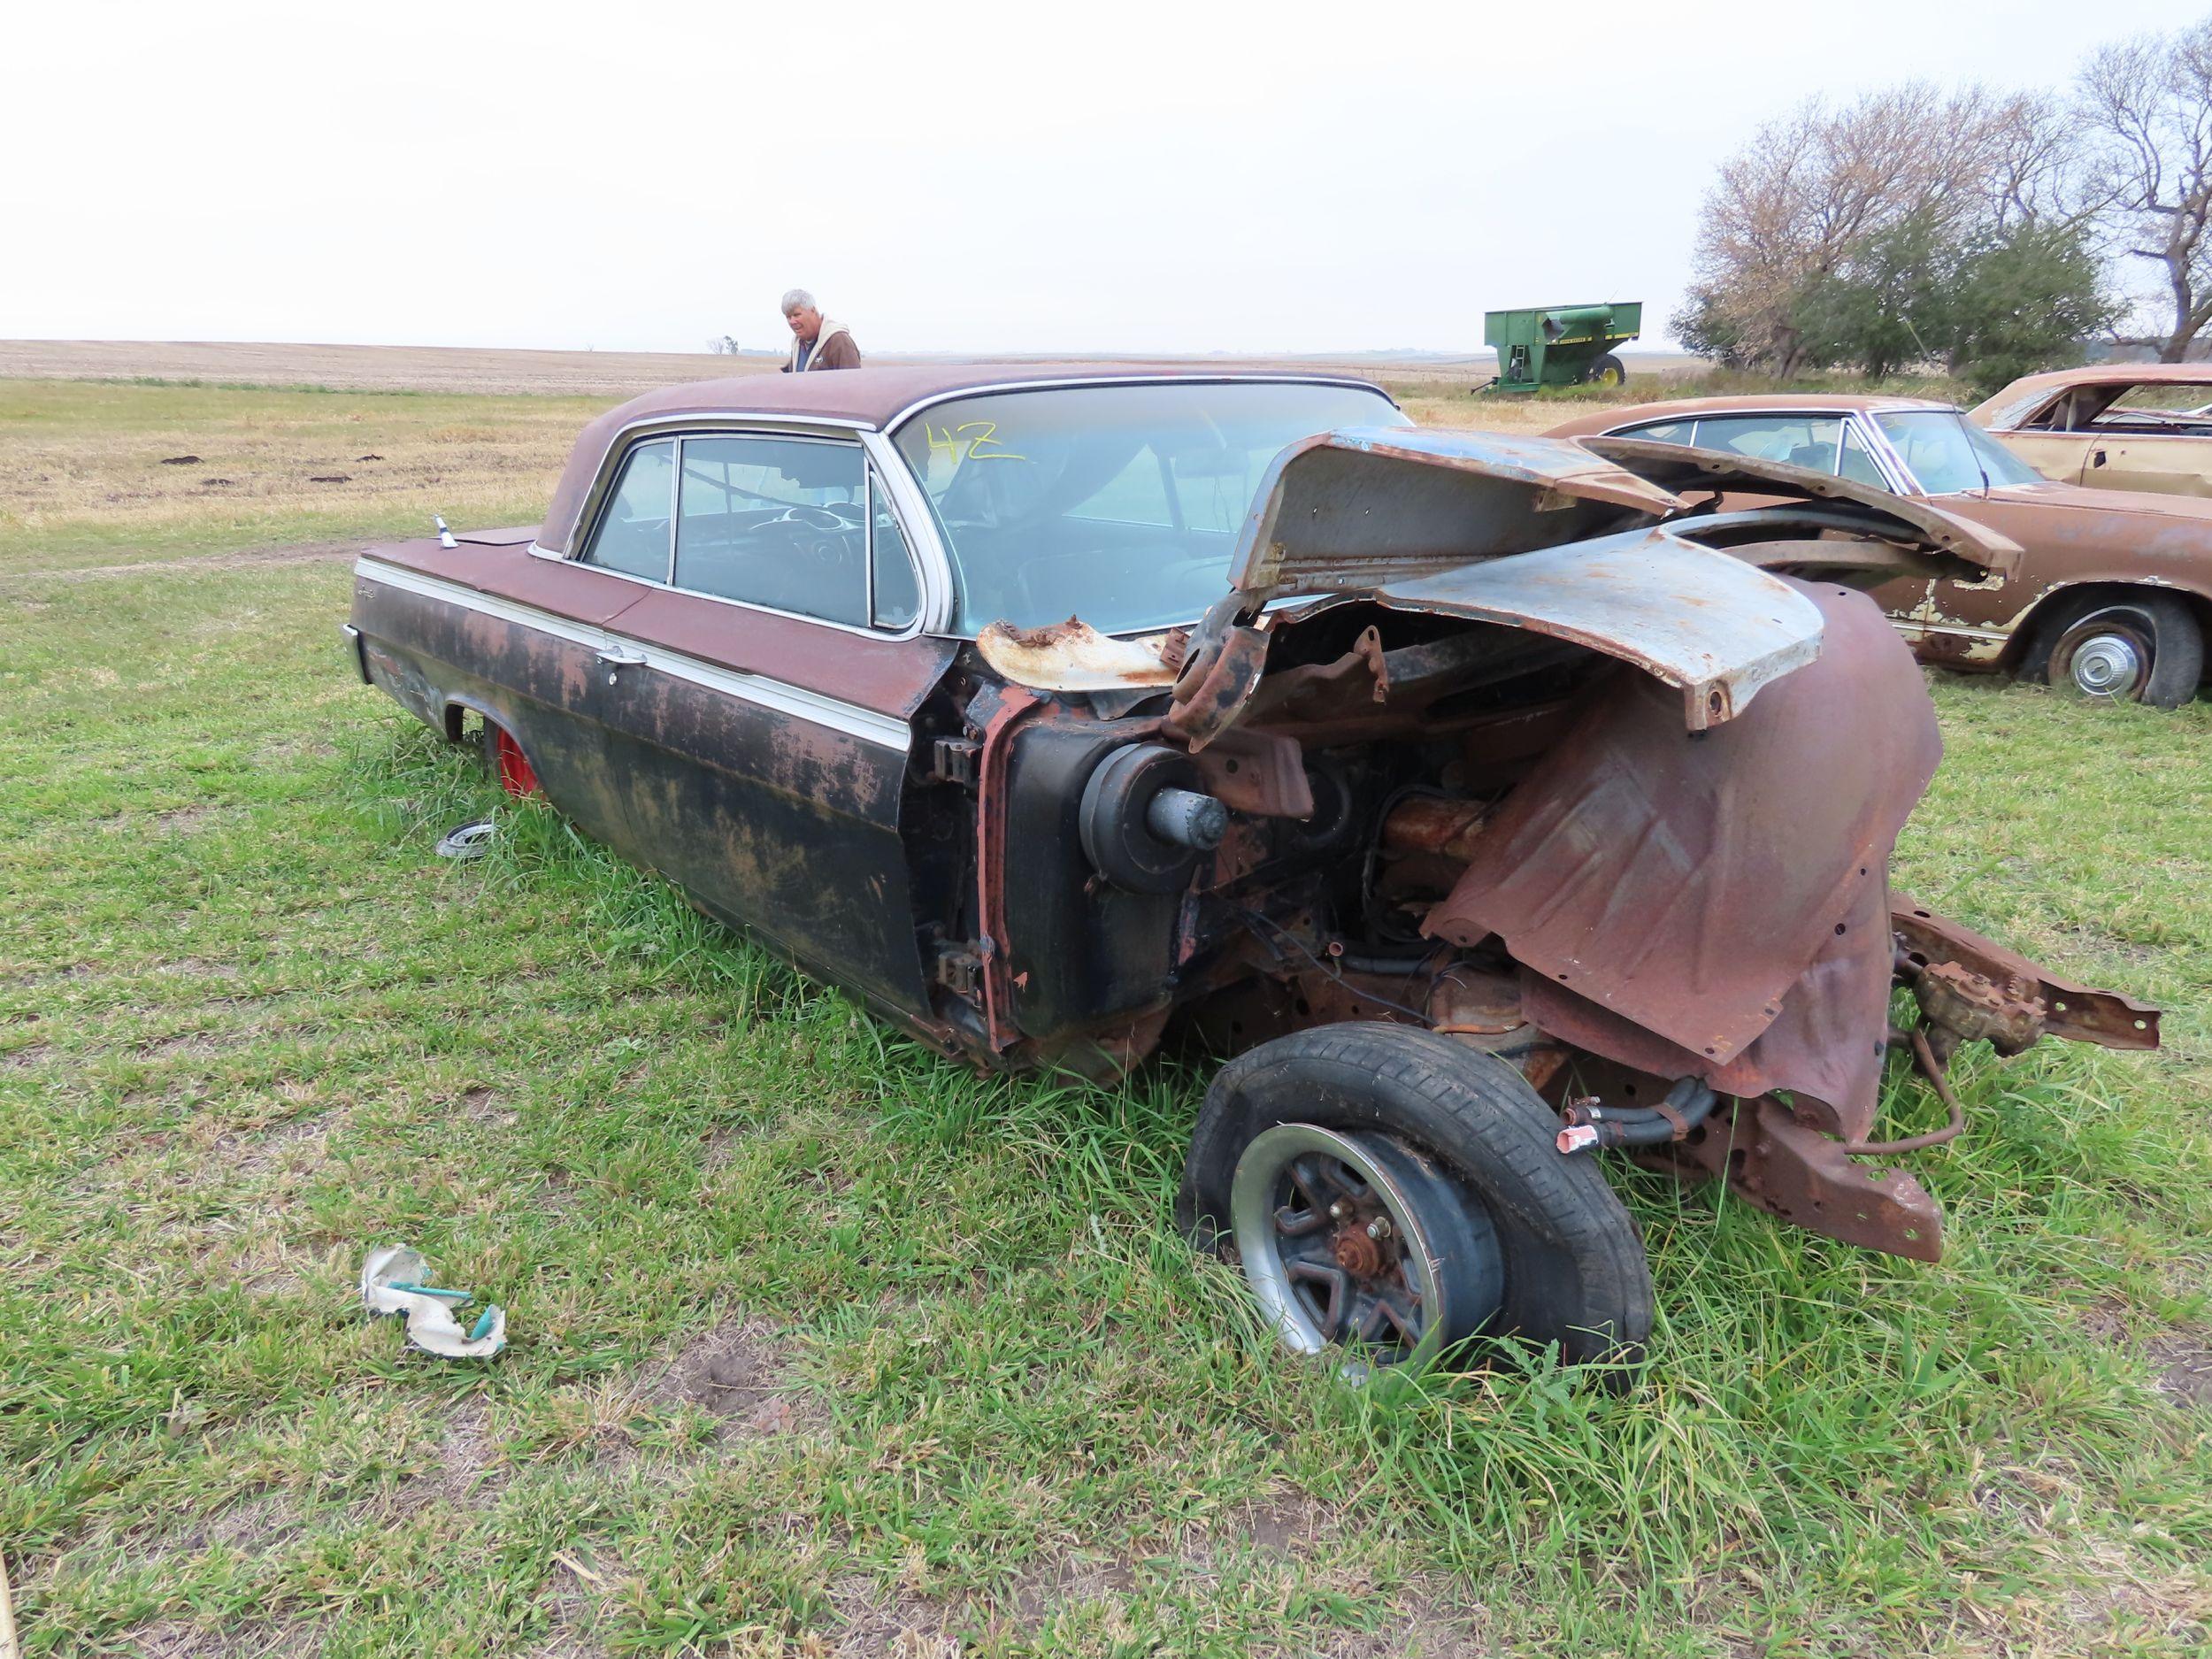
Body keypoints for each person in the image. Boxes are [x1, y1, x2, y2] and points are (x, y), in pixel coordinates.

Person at [779, 289, 860, 372]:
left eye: (797, 315)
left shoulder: (839, 341)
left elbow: (853, 381)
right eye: (788, 317)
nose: (792, 322)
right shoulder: (797, 344)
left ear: (813, 310)